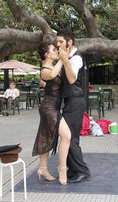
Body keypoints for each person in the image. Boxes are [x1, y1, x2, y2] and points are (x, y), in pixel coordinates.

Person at [32, 41, 72, 185]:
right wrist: (62, 58)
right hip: (48, 108)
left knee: (46, 137)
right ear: (47, 54)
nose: (56, 51)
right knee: (66, 136)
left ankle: (42, 168)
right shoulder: (44, 69)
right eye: (53, 50)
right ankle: (62, 168)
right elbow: (52, 74)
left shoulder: (52, 67)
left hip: (52, 107)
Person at [57, 29, 91, 183]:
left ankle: (81, 171)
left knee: (71, 138)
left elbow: (71, 79)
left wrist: (64, 60)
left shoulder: (76, 59)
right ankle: (73, 168)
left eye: (60, 42)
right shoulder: (69, 58)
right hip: (70, 101)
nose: (58, 45)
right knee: (67, 137)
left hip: (76, 101)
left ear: (69, 42)